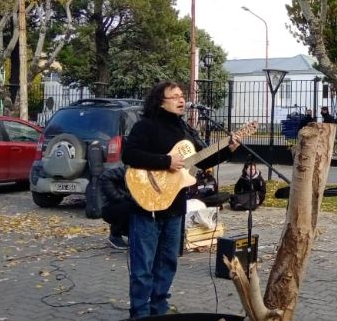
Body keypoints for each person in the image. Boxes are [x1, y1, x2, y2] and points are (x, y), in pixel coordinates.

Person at [122, 81, 239, 318]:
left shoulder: (184, 131)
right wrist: (166, 161)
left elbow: (200, 162)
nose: (181, 99)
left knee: (167, 263)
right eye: (174, 96)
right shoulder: (146, 126)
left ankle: (160, 309)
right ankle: (140, 313)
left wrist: (228, 149)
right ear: (160, 102)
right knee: (143, 267)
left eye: (182, 96)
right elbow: (129, 154)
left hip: (175, 208)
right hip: (147, 206)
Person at [99, 165, 133, 250]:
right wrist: (117, 197)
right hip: (113, 207)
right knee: (130, 207)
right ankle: (115, 234)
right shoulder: (129, 170)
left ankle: (133, 235)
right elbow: (105, 177)